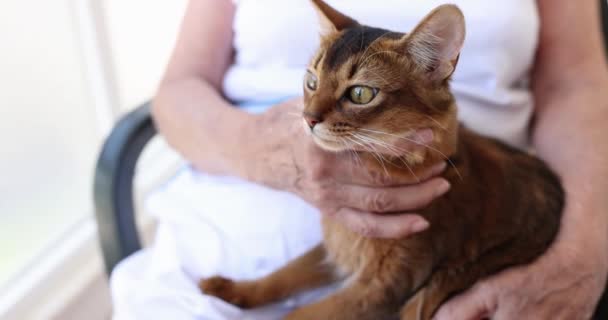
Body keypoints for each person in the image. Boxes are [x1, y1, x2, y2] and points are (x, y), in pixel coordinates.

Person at [111, 0, 608, 319]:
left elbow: (578, 86)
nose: (313, 114)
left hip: (476, 268)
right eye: (311, 86)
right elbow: (176, 93)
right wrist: (259, 149)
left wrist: (584, 257)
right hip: (216, 259)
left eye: (357, 93)